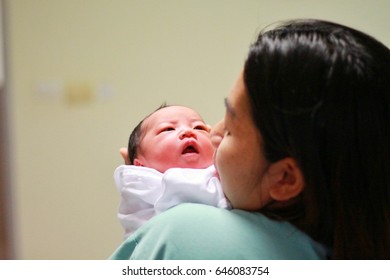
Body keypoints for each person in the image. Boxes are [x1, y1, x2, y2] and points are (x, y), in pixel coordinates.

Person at [110, 19, 390, 259]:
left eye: (230, 128)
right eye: (167, 131)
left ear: (285, 179)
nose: (211, 132)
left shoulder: (184, 231)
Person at [115, 105, 230, 238]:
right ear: (140, 165)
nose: (188, 131)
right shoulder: (143, 184)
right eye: (168, 129)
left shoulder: (224, 170)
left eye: (199, 128)